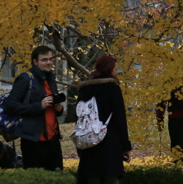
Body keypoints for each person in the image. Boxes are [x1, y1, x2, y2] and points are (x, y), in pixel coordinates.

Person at [5, 45, 65, 170]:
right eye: (44, 60)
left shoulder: (51, 78)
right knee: (36, 178)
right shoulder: (25, 78)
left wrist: (59, 109)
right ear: (35, 61)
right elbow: (10, 106)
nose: (49, 62)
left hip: (53, 140)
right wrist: (39, 106)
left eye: (51, 59)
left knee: (58, 177)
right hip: (33, 140)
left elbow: (51, 108)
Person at [75, 55, 132, 184]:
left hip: (89, 143)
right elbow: (120, 119)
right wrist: (125, 147)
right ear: (109, 70)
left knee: (92, 179)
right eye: (115, 69)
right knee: (110, 178)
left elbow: (79, 117)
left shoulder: (84, 89)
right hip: (110, 143)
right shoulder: (112, 88)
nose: (117, 72)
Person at [156, 86, 183, 164]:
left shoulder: (168, 83)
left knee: (176, 143)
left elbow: (161, 102)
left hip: (175, 117)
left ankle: (178, 164)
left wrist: (160, 119)